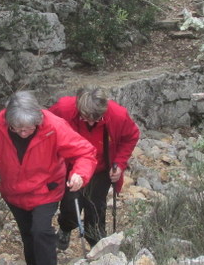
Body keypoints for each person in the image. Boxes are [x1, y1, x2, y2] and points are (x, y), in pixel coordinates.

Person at [0, 91, 96, 265]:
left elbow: (85, 153)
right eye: (17, 129)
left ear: (38, 120)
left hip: (47, 189)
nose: (23, 133)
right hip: (13, 191)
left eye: (28, 128)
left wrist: (80, 174)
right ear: (8, 121)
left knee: (41, 231)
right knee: (27, 231)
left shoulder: (54, 126)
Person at [48, 86, 140, 249]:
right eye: (86, 118)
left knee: (96, 206)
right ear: (79, 108)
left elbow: (131, 137)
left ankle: (96, 240)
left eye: (96, 119)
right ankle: (66, 228)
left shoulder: (118, 115)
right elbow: (46, 126)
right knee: (70, 204)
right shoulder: (64, 109)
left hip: (101, 168)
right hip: (72, 167)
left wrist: (119, 163)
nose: (91, 122)